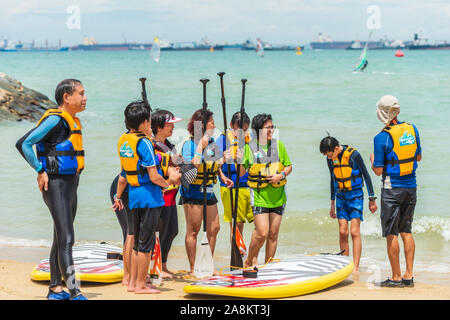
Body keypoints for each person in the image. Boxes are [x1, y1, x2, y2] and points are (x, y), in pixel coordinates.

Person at [16, 79, 88, 300]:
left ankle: (55, 288)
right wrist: (40, 170)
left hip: (70, 184)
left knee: (60, 237)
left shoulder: (71, 121)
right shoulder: (55, 120)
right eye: (81, 94)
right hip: (55, 185)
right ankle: (75, 291)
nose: (85, 98)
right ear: (67, 97)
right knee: (67, 238)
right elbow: (24, 143)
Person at [113, 101, 179, 294]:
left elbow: (124, 173)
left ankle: (134, 282)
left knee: (136, 240)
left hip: (132, 194)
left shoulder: (124, 140)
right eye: (149, 118)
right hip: (149, 195)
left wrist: (118, 196)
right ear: (144, 122)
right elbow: (154, 176)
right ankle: (141, 285)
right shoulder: (145, 143)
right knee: (145, 243)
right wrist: (169, 184)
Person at [370, 95, 422, 288]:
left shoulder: (381, 137)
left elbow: (378, 170)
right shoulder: (412, 129)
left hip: (392, 190)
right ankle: (409, 274)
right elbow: (418, 157)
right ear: (397, 111)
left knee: (391, 233)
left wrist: (372, 158)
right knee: (406, 231)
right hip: (411, 186)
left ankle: (396, 277)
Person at [179, 108, 232, 276]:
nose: (214, 125)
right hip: (193, 191)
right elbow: (193, 165)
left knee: (214, 228)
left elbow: (215, 164)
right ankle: (194, 268)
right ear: (202, 125)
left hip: (209, 189)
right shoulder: (189, 144)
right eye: (211, 122)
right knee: (193, 230)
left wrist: (222, 176)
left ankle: (208, 264)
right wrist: (200, 147)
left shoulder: (212, 144)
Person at [319, 135, 377, 272]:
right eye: (326, 155)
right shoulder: (330, 160)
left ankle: (355, 268)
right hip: (341, 196)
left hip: (356, 195)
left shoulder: (354, 155)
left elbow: (366, 175)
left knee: (354, 231)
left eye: (329, 154)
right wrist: (332, 203)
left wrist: (372, 199)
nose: (328, 157)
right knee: (342, 231)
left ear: (336, 148)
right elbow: (332, 180)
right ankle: (345, 265)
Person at [241, 113, 292, 267]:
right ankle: (250, 260)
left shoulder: (279, 146)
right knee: (262, 232)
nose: (271, 130)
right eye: (267, 128)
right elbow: (241, 173)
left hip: (278, 196)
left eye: (272, 127)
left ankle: (268, 266)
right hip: (259, 196)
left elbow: (289, 166)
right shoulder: (249, 148)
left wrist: (280, 175)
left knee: (273, 234)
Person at [150, 109, 183, 279]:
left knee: (172, 231)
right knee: (159, 232)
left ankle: (163, 264)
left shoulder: (169, 145)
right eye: (169, 124)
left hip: (171, 195)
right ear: (158, 126)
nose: (172, 127)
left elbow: (179, 163)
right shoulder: (152, 146)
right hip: (159, 195)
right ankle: (155, 267)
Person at [215, 111, 254, 246]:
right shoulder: (222, 139)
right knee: (236, 223)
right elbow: (213, 163)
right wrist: (224, 160)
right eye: (239, 130)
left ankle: (245, 252)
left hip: (247, 184)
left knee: (247, 221)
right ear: (231, 125)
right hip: (230, 184)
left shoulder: (250, 139)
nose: (242, 134)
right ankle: (237, 251)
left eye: (245, 130)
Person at [109, 175, 133, 286]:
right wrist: (118, 196)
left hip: (125, 187)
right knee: (130, 232)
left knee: (130, 232)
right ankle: (128, 275)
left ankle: (130, 273)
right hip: (122, 188)